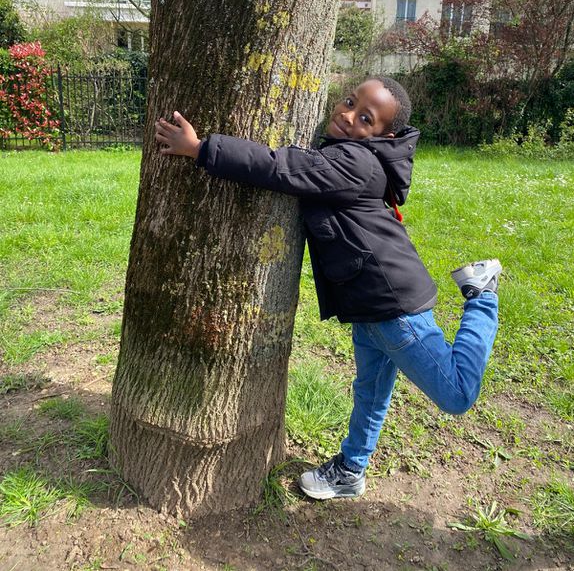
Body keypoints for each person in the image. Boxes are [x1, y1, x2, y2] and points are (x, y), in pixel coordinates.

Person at [154, 76, 501, 501]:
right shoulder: (348, 154)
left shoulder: (356, 163)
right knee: (370, 394)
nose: (348, 114)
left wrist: (202, 148)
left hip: (394, 310)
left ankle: (483, 296)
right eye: (350, 101)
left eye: (365, 118)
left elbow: (279, 167)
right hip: (369, 306)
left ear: (384, 135)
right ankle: (352, 470)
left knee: (456, 394)